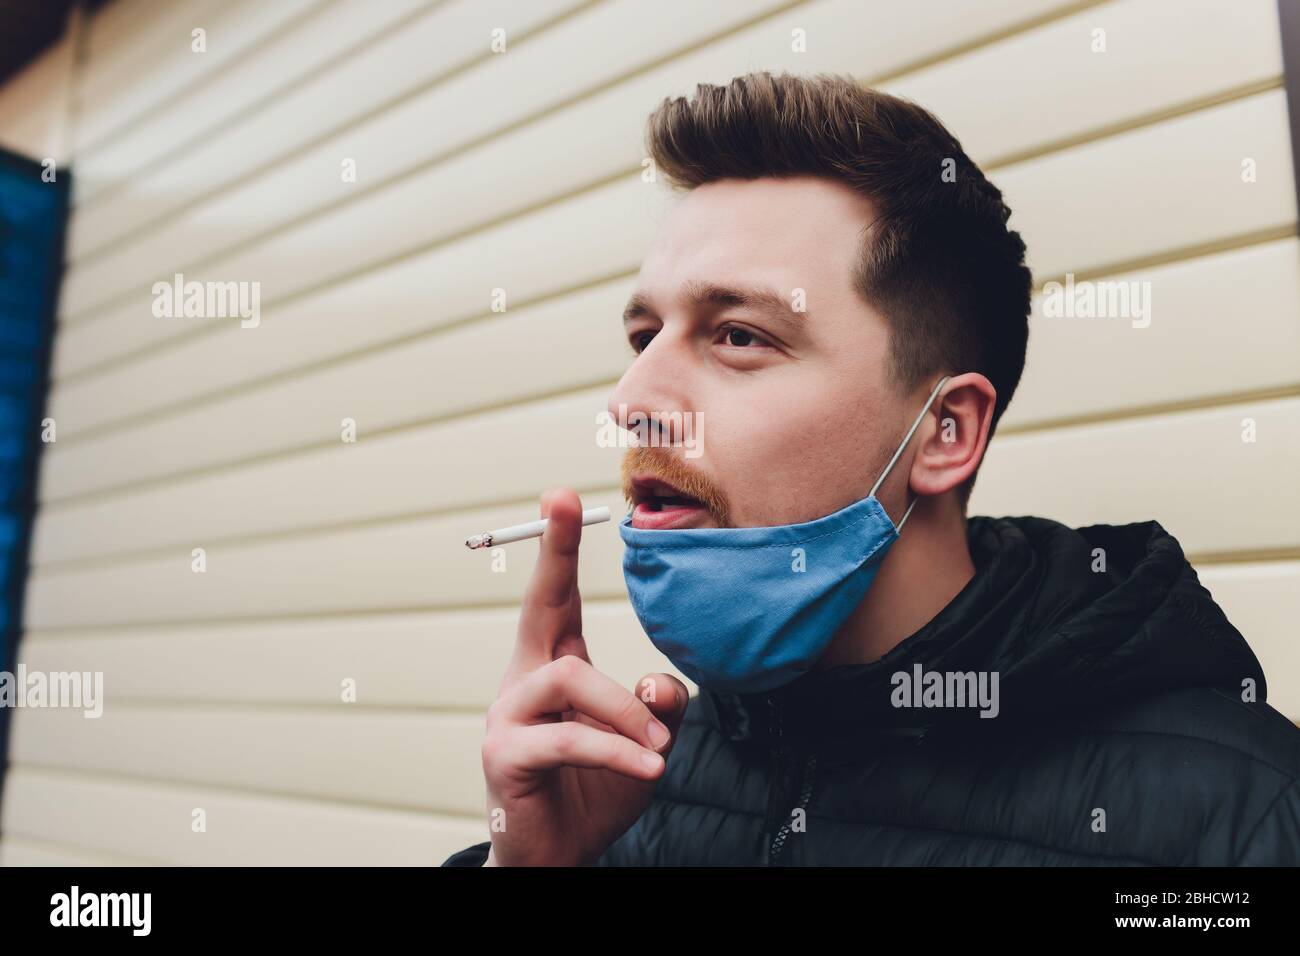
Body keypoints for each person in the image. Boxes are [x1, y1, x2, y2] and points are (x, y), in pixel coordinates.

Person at [443, 72, 1300, 866]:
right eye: (644, 337)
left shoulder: (1236, 818)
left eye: (737, 335)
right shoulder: (631, 784)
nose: (630, 399)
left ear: (943, 432)